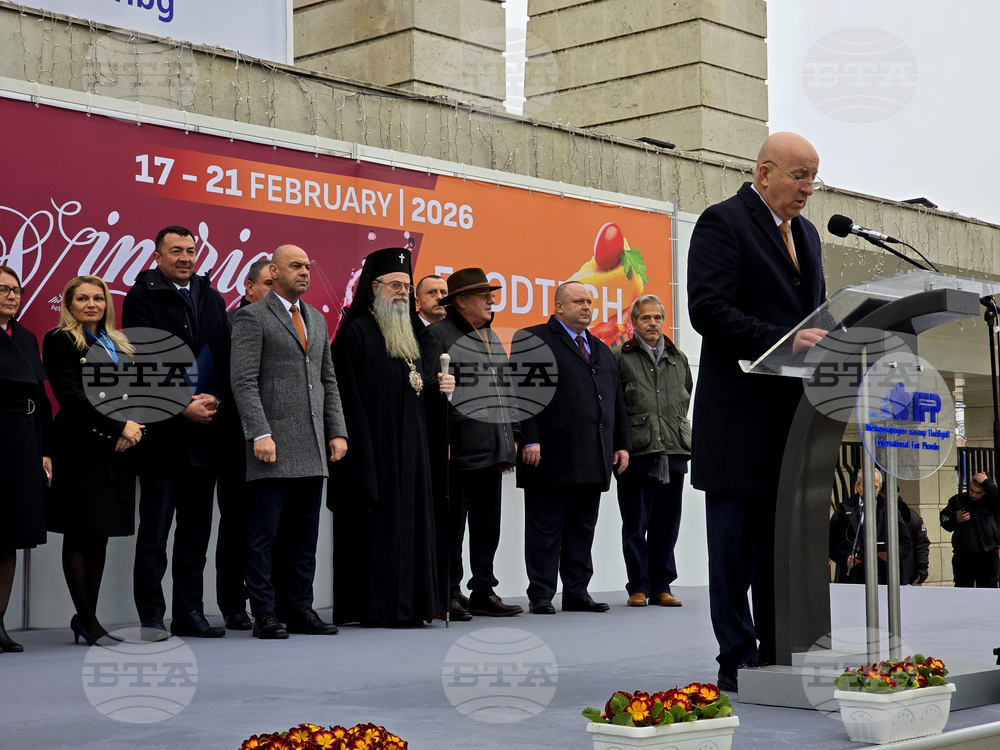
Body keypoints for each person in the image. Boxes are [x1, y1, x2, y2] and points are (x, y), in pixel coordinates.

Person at [687, 132, 827, 691]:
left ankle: (777, 649)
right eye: (799, 176)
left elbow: (813, 312)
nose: (808, 188)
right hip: (737, 419)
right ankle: (737, 657)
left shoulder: (808, 234)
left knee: (778, 547)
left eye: (814, 177)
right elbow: (708, 310)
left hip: (791, 420)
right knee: (732, 550)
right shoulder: (723, 222)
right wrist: (783, 339)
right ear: (765, 172)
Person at [329, 247, 454, 626]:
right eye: (395, 285)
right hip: (373, 452)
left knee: (414, 525)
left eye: (406, 286)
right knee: (379, 528)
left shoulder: (411, 334)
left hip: (413, 453)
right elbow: (346, 398)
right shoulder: (355, 333)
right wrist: (360, 453)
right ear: (374, 287)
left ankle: (413, 605)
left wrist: (439, 389)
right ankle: (378, 607)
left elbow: (417, 388)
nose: (402, 293)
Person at [231, 245, 348, 639]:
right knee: (263, 535)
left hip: (312, 443)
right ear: (274, 271)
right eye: (295, 266)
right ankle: (264, 612)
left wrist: (337, 430)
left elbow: (327, 379)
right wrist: (259, 433)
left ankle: (299, 607)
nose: (304, 272)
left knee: (303, 536)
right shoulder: (252, 317)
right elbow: (243, 381)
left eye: (307, 266)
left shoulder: (315, 318)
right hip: (272, 444)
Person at [122, 225, 231, 641]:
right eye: (176, 251)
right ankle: (151, 616)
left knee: (195, 536)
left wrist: (214, 399)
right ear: (158, 256)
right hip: (163, 438)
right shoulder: (141, 296)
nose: (185, 257)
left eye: (190, 250)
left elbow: (225, 357)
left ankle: (189, 613)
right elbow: (140, 361)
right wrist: (182, 406)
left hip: (205, 438)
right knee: (154, 534)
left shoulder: (212, 297)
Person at [516, 281, 630, 615]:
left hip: (593, 452)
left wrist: (621, 444)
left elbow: (616, 401)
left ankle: (577, 591)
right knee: (545, 526)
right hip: (550, 452)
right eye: (579, 301)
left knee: (582, 526)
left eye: (589, 302)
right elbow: (524, 394)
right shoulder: (534, 339)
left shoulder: (601, 348)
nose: (586, 307)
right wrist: (530, 438)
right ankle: (541, 593)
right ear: (559, 307)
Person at [43, 276, 142, 646]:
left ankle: (87, 618)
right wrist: (119, 426)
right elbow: (71, 395)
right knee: (80, 530)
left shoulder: (120, 343)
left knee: (100, 533)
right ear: (69, 304)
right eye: (82, 298)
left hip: (116, 450)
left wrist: (134, 427)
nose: (91, 304)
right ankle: (87, 619)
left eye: (98, 298)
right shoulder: (60, 340)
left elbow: (138, 393)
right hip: (80, 447)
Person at [421, 268, 523, 620]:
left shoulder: (490, 336)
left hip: (494, 446)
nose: (491, 301)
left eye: (491, 295)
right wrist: (443, 438)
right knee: (452, 526)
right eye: (484, 296)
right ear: (461, 301)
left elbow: (507, 389)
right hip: (460, 447)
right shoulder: (437, 335)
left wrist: (513, 434)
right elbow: (432, 393)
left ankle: (483, 590)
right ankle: (448, 591)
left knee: (487, 525)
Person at [613, 294, 691, 608]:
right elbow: (615, 406)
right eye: (646, 318)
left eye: (657, 317)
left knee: (667, 525)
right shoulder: (619, 356)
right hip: (637, 452)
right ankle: (638, 587)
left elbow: (685, 396)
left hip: (673, 449)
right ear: (634, 322)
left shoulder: (678, 357)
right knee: (635, 524)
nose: (653, 323)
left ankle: (661, 585)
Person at [215, 256, 274, 631]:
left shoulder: (295, 323)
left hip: (279, 441)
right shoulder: (232, 323)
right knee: (236, 524)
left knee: (271, 527)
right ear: (249, 287)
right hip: (236, 440)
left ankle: (270, 602)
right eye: (267, 284)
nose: (273, 290)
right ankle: (234, 603)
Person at [0, 266, 52, 653]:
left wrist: (45, 450)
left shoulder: (26, 336)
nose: (11, 296)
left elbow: (41, 398)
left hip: (23, 441)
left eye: (16, 290)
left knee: (10, 536)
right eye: (3, 289)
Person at [829, 470, 913, 585]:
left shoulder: (890, 511)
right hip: (852, 578)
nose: (870, 491)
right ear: (856, 486)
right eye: (865, 486)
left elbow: (906, 542)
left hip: (883, 577)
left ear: (880, 487)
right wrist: (845, 557)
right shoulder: (843, 511)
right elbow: (830, 542)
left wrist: (893, 554)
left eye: (874, 487)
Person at [941, 472, 1000, 588]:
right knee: (962, 590)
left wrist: (987, 483)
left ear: (985, 491)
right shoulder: (958, 500)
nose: (973, 494)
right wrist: (955, 519)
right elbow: (944, 519)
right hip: (963, 556)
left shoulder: (992, 501)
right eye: (971, 490)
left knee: (988, 590)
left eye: (978, 493)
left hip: (988, 555)